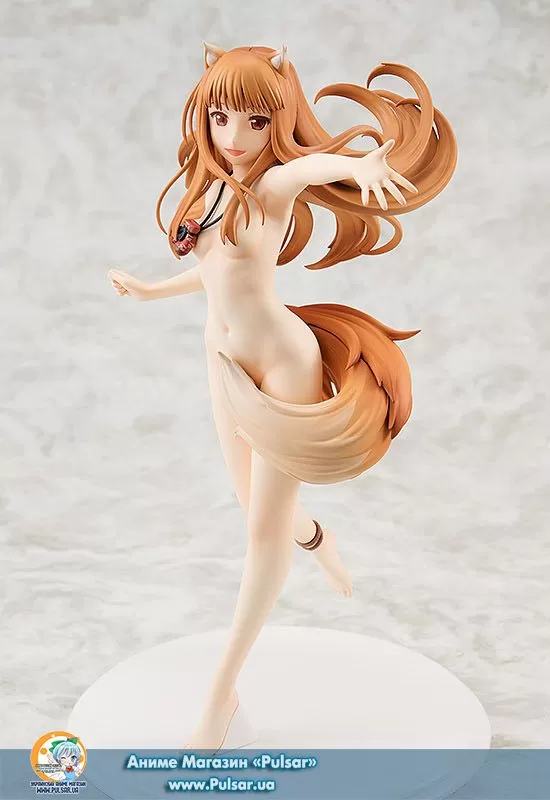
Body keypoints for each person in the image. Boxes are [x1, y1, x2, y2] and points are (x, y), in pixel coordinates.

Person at [107, 42, 457, 751]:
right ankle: (319, 539)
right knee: (255, 510)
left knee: (261, 539)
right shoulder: (212, 190)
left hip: (282, 366)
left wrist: (360, 166)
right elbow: (218, 273)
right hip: (223, 361)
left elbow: (309, 169)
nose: (235, 137)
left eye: (256, 122)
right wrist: (151, 290)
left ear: (278, 121)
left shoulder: (271, 184)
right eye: (221, 118)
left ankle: (221, 694)